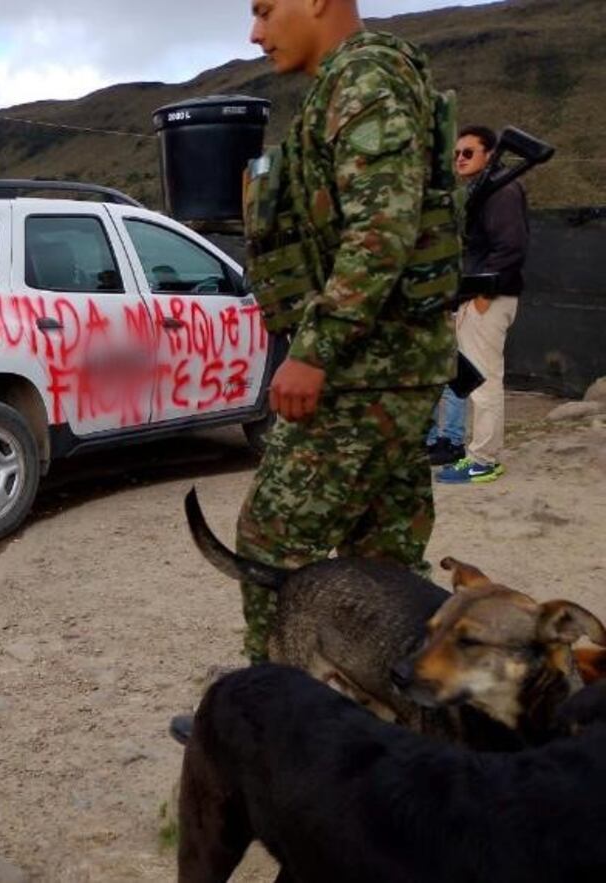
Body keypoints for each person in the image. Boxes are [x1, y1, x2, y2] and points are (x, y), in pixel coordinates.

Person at [236, 0, 457, 662]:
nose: (256, 33)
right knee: (381, 561)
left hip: (367, 369)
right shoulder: (349, 84)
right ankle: (385, 717)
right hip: (393, 364)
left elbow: (379, 232)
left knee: (271, 540)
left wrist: (314, 349)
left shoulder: (363, 79)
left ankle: (271, 717)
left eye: (266, 9)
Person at [436, 124, 529, 484]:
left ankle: (484, 460)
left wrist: (483, 296)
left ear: (490, 154)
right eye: (457, 153)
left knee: (486, 382)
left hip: (488, 299)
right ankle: (478, 453)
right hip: (475, 297)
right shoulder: (485, 189)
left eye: (468, 152)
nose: (460, 158)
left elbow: (511, 248)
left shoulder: (502, 190)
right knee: (475, 382)